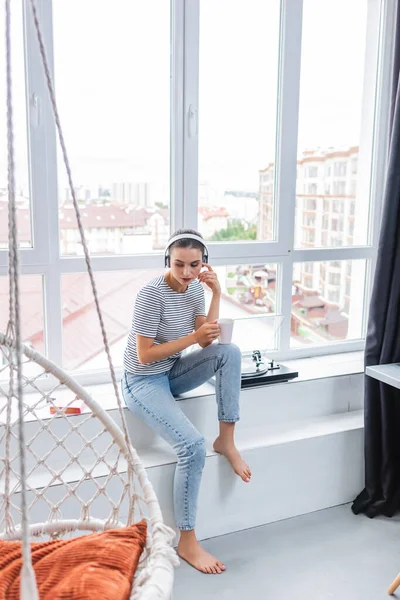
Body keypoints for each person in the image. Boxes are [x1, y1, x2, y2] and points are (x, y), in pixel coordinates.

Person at [121, 228, 251, 575]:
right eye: (179, 264)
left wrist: (216, 293)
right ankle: (187, 539)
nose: (187, 272)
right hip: (143, 380)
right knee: (191, 446)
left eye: (194, 265)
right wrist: (193, 337)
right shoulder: (151, 295)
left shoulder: (196, 288)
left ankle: (226, 439)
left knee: (230, 352)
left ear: (203, 263)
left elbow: (208, 342)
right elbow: (145, 356)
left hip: (173, 371)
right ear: (168, 260)